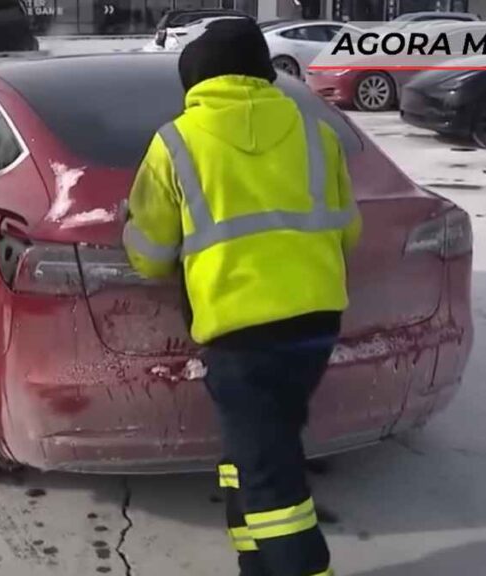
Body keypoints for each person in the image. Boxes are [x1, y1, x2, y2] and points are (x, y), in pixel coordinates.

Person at [122, 17, 362, 576]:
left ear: (195, 80)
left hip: (240, 331)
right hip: (317, 323)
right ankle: (254, 562)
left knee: (269, 474)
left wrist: (130, 229)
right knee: (254, 448)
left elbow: (150, 255)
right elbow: (349, 230)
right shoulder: (315, 134)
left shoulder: (176, 142)